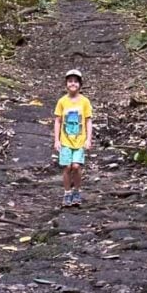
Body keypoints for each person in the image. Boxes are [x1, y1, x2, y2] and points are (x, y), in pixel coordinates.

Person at [54, 68, 93, 207]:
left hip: (79, 140)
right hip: (65, 140)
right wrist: (57, 140)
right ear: (66, 84)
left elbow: (88, 121)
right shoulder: (62, 101)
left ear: (80, 84)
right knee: (67, 167)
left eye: (76, 82)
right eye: (70, 81)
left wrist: (88, 139)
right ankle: (67, 193)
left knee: (76, 166)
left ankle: (77, 191)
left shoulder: (85, 102)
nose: (73, 84)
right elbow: (58, 121)